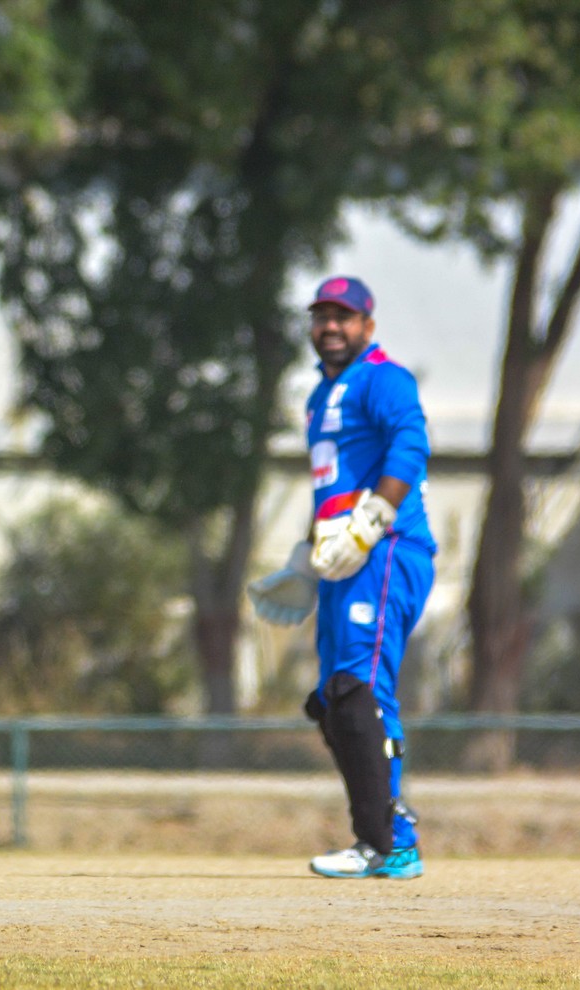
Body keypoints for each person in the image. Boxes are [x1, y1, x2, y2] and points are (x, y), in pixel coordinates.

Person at [246, 276, 434, 880]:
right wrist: (306, 562)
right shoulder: (320, 395)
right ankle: (393, 834)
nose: (330, 326)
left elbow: (411, 446)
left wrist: (373, 519)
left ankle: (381, 842)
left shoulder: (384, 378)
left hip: (384, 550)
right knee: (337, 701)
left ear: (367, 326)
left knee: (357, 690)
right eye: (321, 315)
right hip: (342, 559)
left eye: (343, 316)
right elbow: (330, 492)